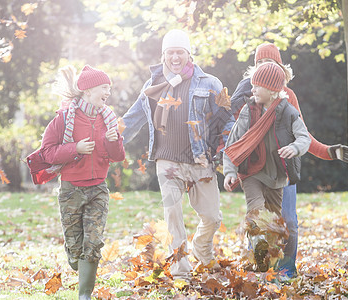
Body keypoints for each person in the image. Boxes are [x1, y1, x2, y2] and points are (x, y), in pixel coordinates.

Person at [230, 43, 348, 279]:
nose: (264, 66)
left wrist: (330, 152)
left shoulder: (288, 98)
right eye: (259, 63)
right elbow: (236, 134)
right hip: (257, 171)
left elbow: (303, 135)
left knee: (288, 222)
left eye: (270, 62)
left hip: (283, 171)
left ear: (279, 66)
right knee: (257, 220)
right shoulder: (249, 96)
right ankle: (258, 268)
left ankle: (286, 269)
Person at [121, 29, 233, 280]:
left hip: (200, 159)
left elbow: (228, 119)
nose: (175, 57)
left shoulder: (210, 83)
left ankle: (201, 246)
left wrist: (228, 154)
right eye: (170, 52)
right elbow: (133, 118)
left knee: (212, 218)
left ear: (188, 54)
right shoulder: (153, 86)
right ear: (163, 55)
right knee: (172, 214)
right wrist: (112, 139)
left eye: (179, 52)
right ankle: (181, 270)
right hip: (167, 160)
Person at [40, 65, 126, 299]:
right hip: (70, 189)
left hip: (98, 187)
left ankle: (84, 294)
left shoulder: (108, 118)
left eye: (109, 87)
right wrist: (74, 149)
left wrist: (113, 139)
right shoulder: (64, 118)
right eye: (104, 87)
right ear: (88, 90)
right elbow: (47, 152)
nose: (108, 91)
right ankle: (74, 255)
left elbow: (118, 157)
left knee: (94, 241)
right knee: (76, 248)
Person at [223, 62, 311, 272]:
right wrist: (229, 171)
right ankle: (258, 249)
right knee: (256, 211)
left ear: (272, 90)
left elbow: (304, 137)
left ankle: (268, 265)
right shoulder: (249, 110)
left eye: (257, 86)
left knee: (274, 221)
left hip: (277, 176)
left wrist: (294, 148)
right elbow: (233, 143)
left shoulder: (288, 112)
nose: (252, 90)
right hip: (252, 172)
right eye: (252, 85)